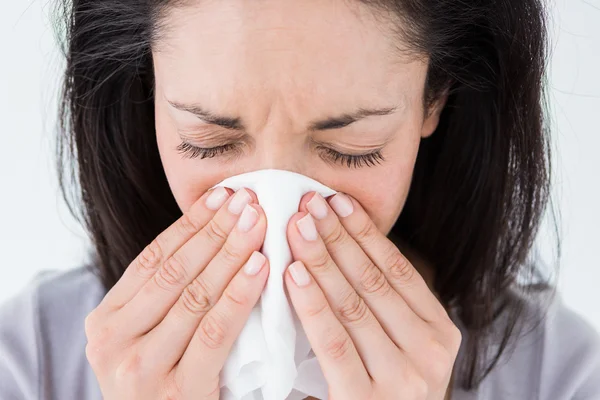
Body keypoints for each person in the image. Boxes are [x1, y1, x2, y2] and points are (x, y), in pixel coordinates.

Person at [1, 0, 599, 399]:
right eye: (208, 142)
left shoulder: (561, 375)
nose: (278, 221)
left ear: (435, 100)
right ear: (150, 95)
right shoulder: (31, 361)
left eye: (351, 148)